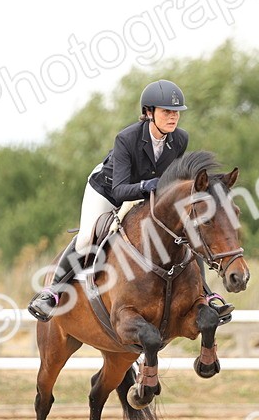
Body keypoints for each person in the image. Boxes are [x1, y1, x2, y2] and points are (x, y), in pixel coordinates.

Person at [27, 79, 233, 323]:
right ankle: (51, 294)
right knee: (85, 238)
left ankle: (206, 294)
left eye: (176, 112)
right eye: (167, 111)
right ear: (149, 112)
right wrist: (147, 186)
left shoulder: (179, 139)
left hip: (148, 194)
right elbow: (121, 190)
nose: (173, 118)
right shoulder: (127, 138)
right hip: (108, 189)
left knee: (187, 230)